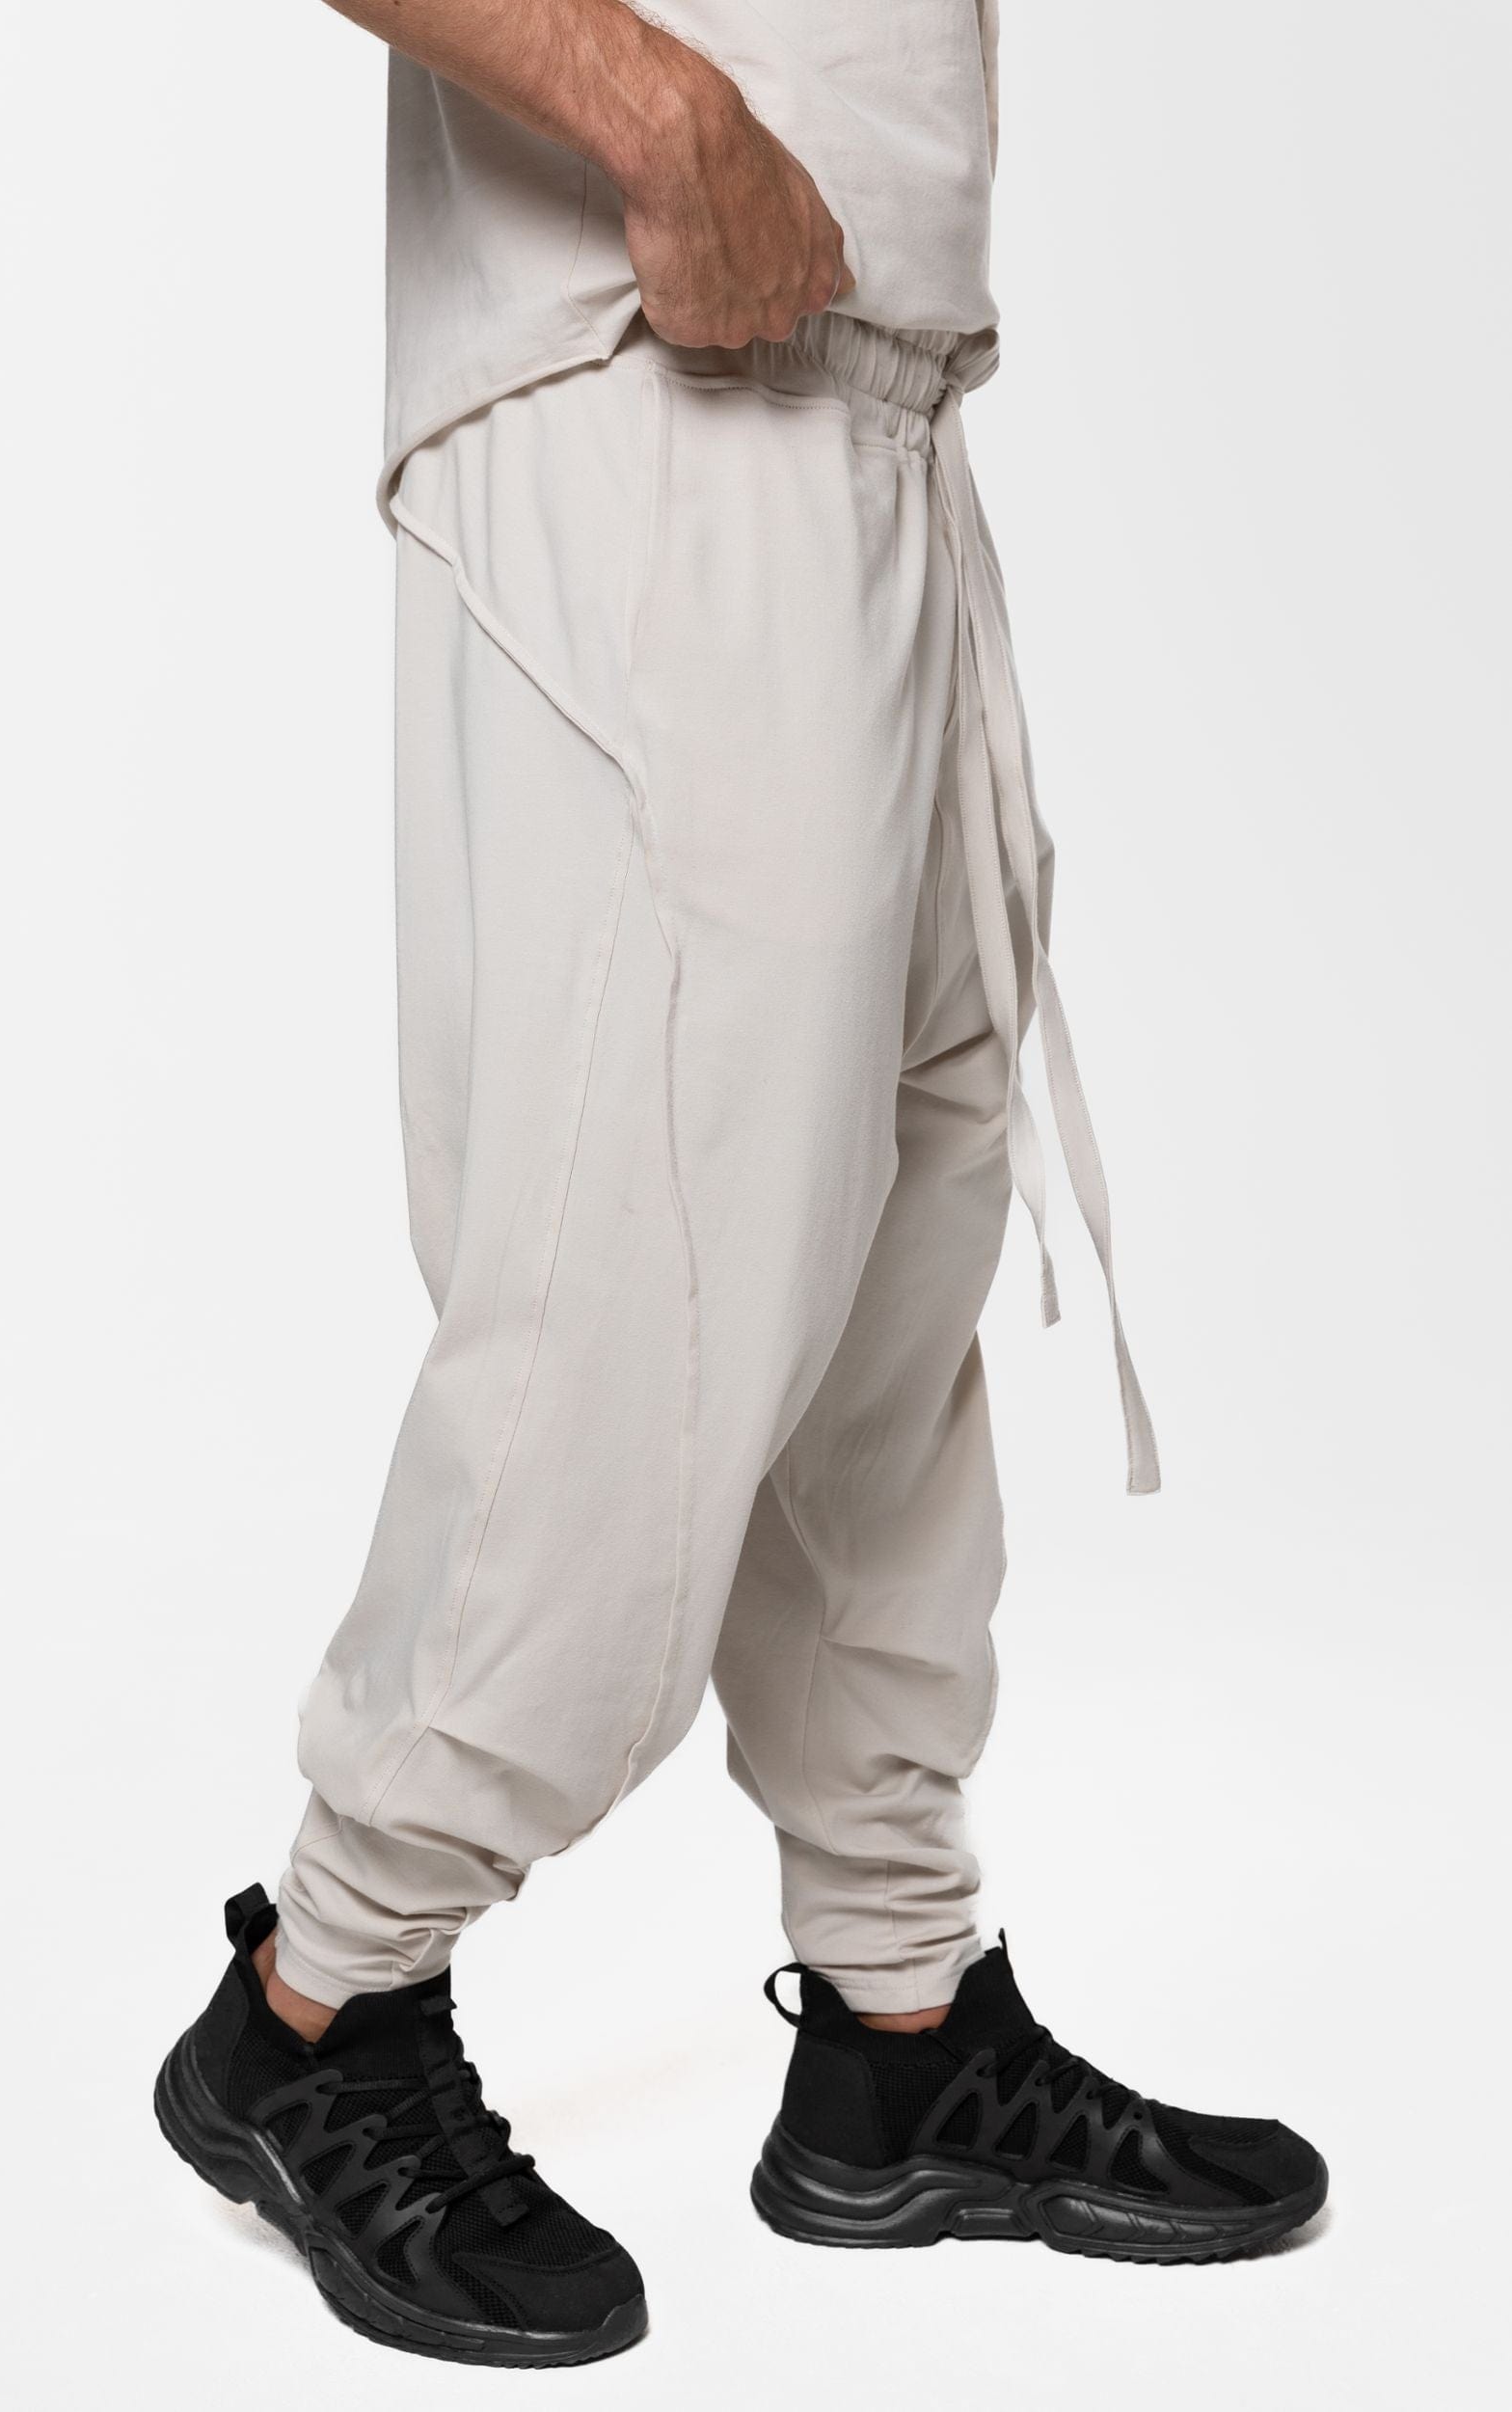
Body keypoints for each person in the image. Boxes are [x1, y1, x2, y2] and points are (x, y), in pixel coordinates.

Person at [155, 0, 1326, 2366]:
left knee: (885, 1274)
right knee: (650, 1254)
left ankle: (902, 2036)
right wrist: (659, 110)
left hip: (870, 391)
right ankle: (318, 2001)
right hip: (648, 376)